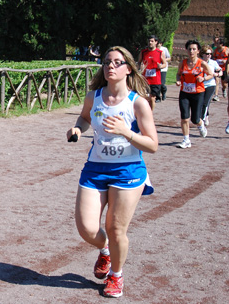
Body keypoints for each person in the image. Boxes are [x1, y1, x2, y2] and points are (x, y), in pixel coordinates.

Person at [66, 46, 158, 298]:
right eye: (107, 62)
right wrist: (77, 129)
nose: (111, 66)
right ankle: (105, 250)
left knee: (116, 229)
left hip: (127, 171)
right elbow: (84, 118)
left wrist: (127, 132)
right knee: (86, 228)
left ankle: (116, 276)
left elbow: (152, 145)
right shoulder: (93, 97)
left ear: (128, 69)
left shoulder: (137, 103)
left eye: (118, 63)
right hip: (95, 169)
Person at [175, 40, 213, 148]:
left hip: (198, 93)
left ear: (198, 51)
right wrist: (178, 80)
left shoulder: (202, 63)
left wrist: (204, 78)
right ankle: (186, 139)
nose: (191, 51)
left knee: (195, 119)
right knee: (184, 118)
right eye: (189, 49)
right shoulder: (183, 63)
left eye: (194, 49)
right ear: (186, 50)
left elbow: (211, 74)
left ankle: (201, 125)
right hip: (184, 93)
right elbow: (178, 74)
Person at [137, 36, 165, 110]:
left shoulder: (160, 53)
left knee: (152, 98)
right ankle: (144, 113)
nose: (150, 43)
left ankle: (150, 114)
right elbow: (139, 62)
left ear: (156, 42)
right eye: (149, 41)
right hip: (144, 80)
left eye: (152, 41)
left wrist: (160, 66)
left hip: (155, 80)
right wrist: (140, 67)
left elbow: (165, 64)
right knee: (145, 97)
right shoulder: (143, 52)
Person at [199, 46, 222, 126]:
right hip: (200, 85)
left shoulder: (213, 63)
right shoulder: (199, 62)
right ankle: (206, 115)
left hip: (210, 85)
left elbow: (220, 71)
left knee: (206, 102)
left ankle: (202, 119)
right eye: (207, 54)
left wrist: (218, 74)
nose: (209, 55)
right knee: (200, 103)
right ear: (202, 54)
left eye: (210, 54)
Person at [212, 36, 229, 100]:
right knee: (217, 81)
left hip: (224, 69)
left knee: (224, 83)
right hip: (218, 68)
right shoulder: (215, 50)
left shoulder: (227, 50)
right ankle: (216, 95)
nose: (216, 44)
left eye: (218, 43)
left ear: (221, 44)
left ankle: (224, 89)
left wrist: (226, 61)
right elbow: (213, 58)